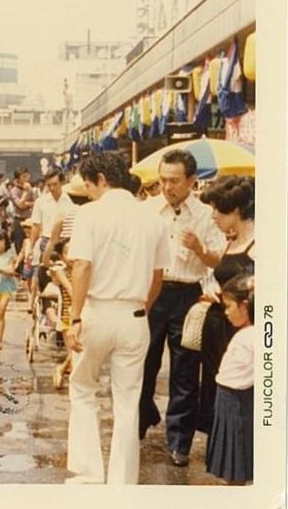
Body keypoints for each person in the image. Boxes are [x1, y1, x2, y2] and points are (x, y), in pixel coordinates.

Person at [65, 152, 170, 485]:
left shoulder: (88, 214)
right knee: (127, 400)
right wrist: (142, 309)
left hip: (95, 311)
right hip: (135, 316)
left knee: (83, 389)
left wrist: (74, 316)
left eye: (89, 186)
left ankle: (87, 472)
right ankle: (122, 480)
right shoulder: (153, 218)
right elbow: (158, 276)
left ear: (101, 180)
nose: (88, 193)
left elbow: (81, 266)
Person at [138, 150, 225, 467]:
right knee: (141, 363)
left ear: (191, 181)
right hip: (151, 291)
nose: (167, 186)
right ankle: (139, 422)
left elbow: (218, 259)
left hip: (188, 294)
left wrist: (199, 249)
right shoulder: (147, 210)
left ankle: (180, 441)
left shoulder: (205, 214)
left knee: (185, 371)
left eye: (174, 181)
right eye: (162, 180)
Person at [197, 176, 255, 437]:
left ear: (235, 210)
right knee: (215, 386)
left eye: (217, 210)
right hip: (217, 326)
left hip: (239, 331)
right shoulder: (231, 241)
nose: (214, 217)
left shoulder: (257, 244)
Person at [205, 273, 254, 485]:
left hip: (237, 401)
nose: (226, 312)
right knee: (231, 468)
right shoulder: (244, 333)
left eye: (229, 306)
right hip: (227, 399)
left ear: (245, 306)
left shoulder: (253, 336)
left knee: (237, 467)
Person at [48, 239, 74, 389]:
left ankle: (62, 369)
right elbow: (71, 290)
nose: (71, 256)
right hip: (68, 315)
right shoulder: (60, 271)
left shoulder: (84, 269)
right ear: (62, 256)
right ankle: (63, 370)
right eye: (67, 253)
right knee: (75, 351)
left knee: (79, 352)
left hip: (85, 314)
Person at [9, 167, 35, 255]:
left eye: (27, 176)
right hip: (19, 220)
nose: (27, 178)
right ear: (18, 179)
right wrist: (25, 192)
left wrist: (26, 204)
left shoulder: (31, 188)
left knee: (31, 245)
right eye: (24, 177)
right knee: (19, 246)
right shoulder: (13, 191)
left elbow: (35, 203)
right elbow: (20, 205)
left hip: (29, 220)